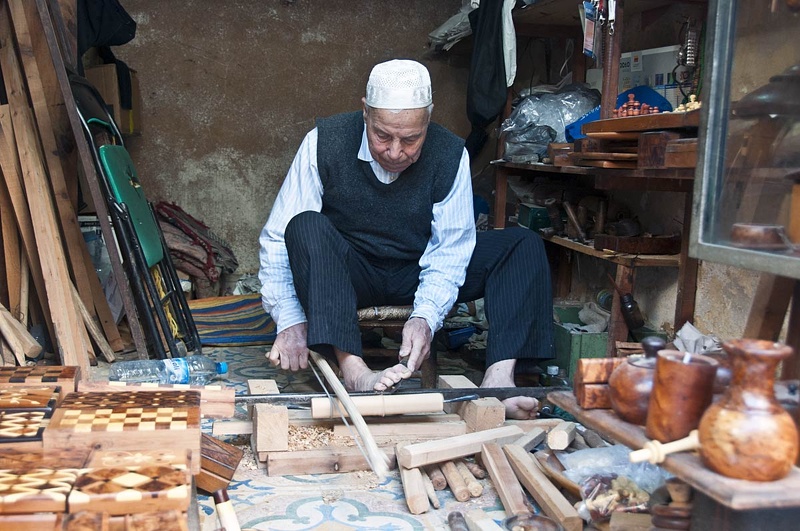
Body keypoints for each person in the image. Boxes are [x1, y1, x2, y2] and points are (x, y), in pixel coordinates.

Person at [258, 59, 553, 419]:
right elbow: (277, 238)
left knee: (523, 246)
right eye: (383, 135)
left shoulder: (449, 154)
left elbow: (450, 250)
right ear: (365, 112)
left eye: (411, 139)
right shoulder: (324, 142)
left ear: (428, 120)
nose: (395, 151)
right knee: (305, 225)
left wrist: (425, 316)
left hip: (417, 269)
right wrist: (289, 320)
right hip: (349, 274)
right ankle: (355, 371)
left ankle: (499, 378)